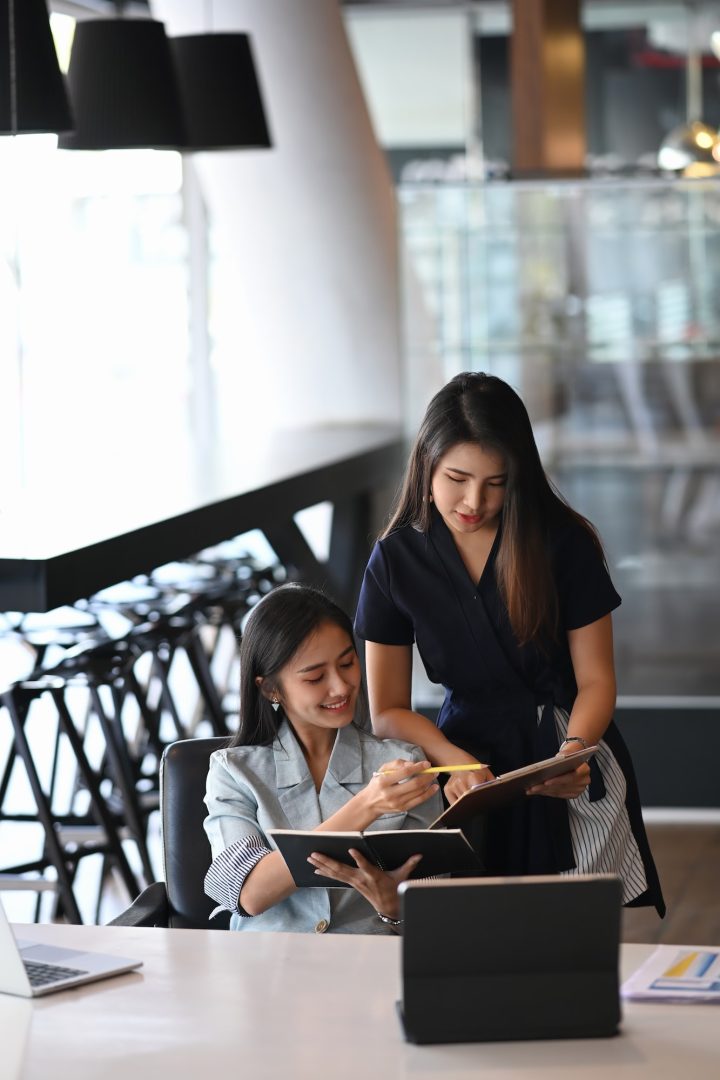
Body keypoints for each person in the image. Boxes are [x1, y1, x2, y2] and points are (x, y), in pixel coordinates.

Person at [355, 371, 664, 914]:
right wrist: (453, 762)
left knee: (570, 942)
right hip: (465, 768)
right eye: (457, 477)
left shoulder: (563, 543)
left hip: (565, 752)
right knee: (470, 936)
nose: (475, 500)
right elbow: (388, 711)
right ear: (426, 463)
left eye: (496, 483)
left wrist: (573, 753)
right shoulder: (395, 561)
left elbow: (596, 681)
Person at [203, 582, 443, 933]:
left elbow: (434, 906)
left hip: (368, 971)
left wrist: (394, 906)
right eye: (315, 677)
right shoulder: (233, 772)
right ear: (270, 688)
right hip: (268, 974)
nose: (341, 687)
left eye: (347, 663)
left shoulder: (404, 763)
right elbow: (248, 892)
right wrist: (366, 807)